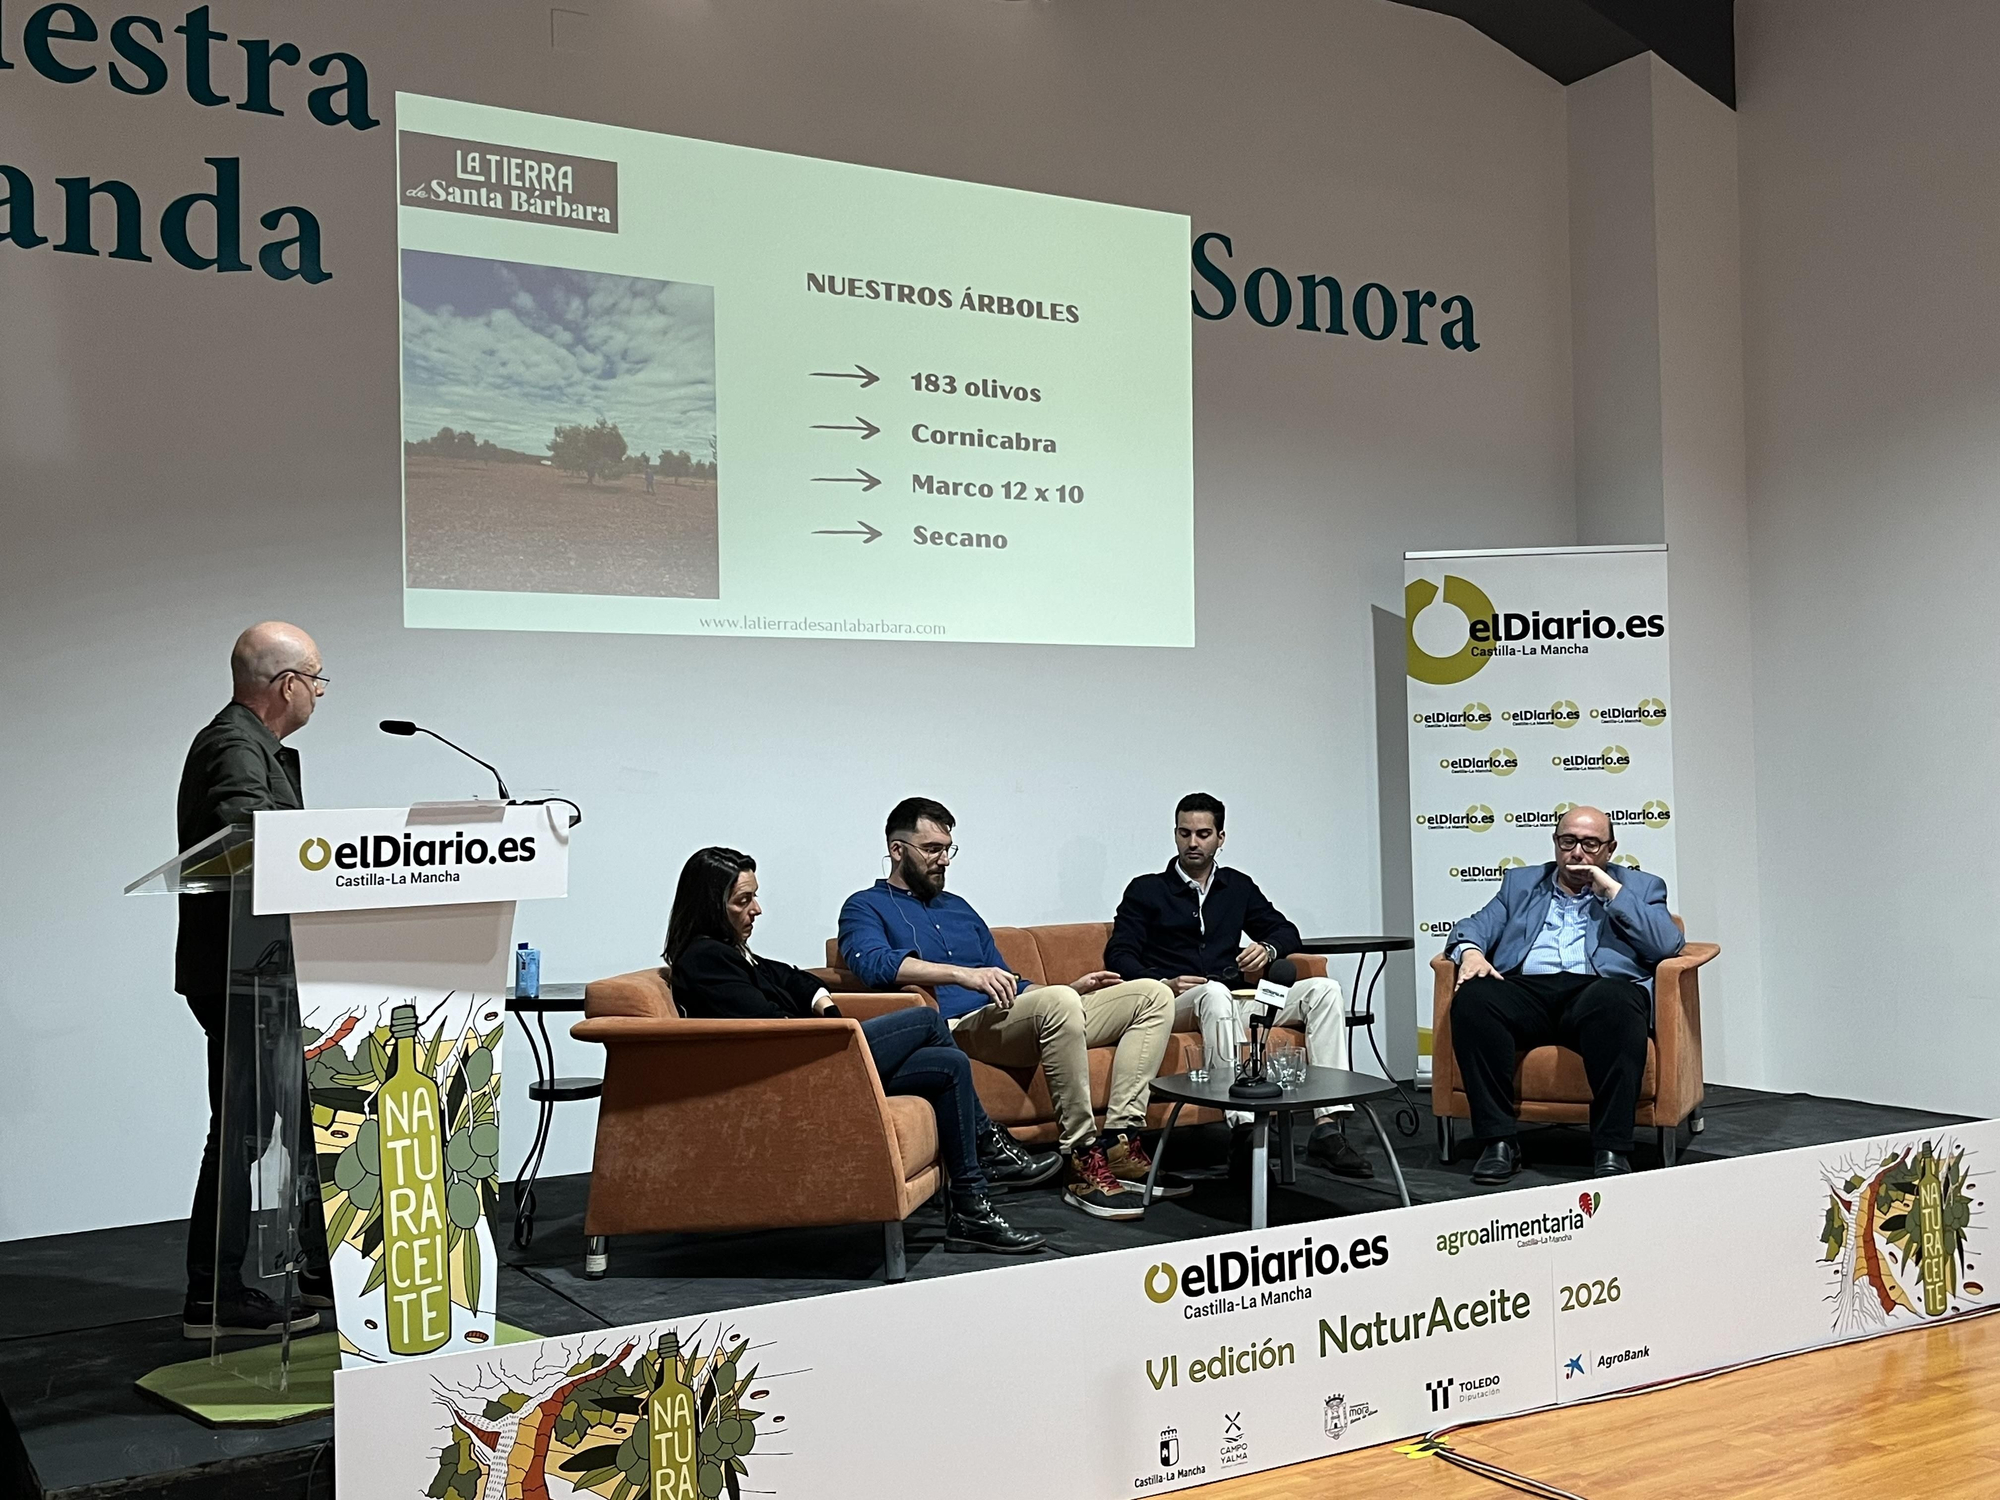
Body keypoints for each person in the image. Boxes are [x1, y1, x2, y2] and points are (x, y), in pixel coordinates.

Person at [666, 846, 1051, 1255]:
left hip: (811, 1058)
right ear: (711, 904)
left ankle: (971, 1209)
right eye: (743, 901)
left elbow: (795, 979)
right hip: (796, 1072)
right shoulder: (705, 958)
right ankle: (988, 1142)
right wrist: (828, 1027)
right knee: (925, 1019)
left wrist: (825, 1007)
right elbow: (768, 1023)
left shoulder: (732, 952)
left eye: (754, 896)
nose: (757, 909)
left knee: (948, 1063)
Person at [838, 799, 1180, 1222]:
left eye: (948, 849)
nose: (944, 860)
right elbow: (871, 963)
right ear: (897, 849)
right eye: (931, 849)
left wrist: (1064, 990)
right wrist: (961, 975)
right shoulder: (864, 906)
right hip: (960, 1027)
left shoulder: (959, 908)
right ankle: (1080, 1157)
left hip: (1012, 1015)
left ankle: (1120, 1140)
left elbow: (1008, 981)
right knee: (1059, 1004)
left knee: (1151, 994)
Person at [176, 622, 330, 1339]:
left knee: (293, 1125)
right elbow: (254, 839)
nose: (320, 694)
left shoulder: (252, 744)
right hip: (244, 972)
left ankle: (312, 1266)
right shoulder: (236, 746)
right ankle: (215, 1295)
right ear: (288, 684)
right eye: (317, 680)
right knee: (241, 1132)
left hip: (261, 970)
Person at [1105, 792, 1373, 1179]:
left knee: (1323, 990)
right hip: (1175, 1002)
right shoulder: (1146, 889)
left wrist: (1268, 948)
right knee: (1213, 994)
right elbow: (1119, 954)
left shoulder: (1237, 886)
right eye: (1184, 833)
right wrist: (1162, 982)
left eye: (1203, 834)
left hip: (1233, 1001)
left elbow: (1286, 931)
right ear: (1175, 834)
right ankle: (1244, 1129)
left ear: (1221, 838)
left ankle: (1327, 1127)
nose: (1192, 842)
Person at [1444, 805, 1684, 1182]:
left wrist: (1611, 891)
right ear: (1555, 842)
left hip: (1597, 990)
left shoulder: (1640, 887)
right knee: (1475, 999)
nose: (1577, 853)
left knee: (1618, 1001)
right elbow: (1474, 925)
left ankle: (1611, 1147)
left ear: (1610, 848)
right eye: (1568, 841)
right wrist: (1471, 952)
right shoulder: (1521, 883)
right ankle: (1499, 1142)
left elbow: (1667, 945)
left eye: (1590, 844)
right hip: (1528, 991)